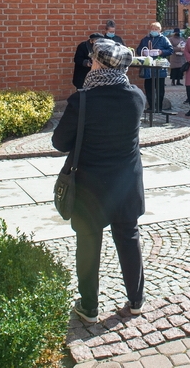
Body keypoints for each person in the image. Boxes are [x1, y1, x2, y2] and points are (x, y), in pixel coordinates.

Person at [51, 38, 146, 324]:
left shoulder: (82, 100)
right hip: (127, 182)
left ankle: (89, 307)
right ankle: (136, 300)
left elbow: (60, 142)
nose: (89, 63)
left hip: (90, 185)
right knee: (129, 237)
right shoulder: (136, 97)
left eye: (92, 60)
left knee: (89, 241)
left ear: (98, 64)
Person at [136, 22, 173, 114]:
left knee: (159, 88)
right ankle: (151, 106)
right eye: (152, 29)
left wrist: (161, 52)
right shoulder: (145, 39)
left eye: (156, 29)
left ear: (160, 30)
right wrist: (143, 52)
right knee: (148, 87)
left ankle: (159, 107)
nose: (154, 30)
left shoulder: (164, 39)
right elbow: (139, 49)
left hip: (159, 67)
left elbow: (170, 50)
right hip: (148, 68)